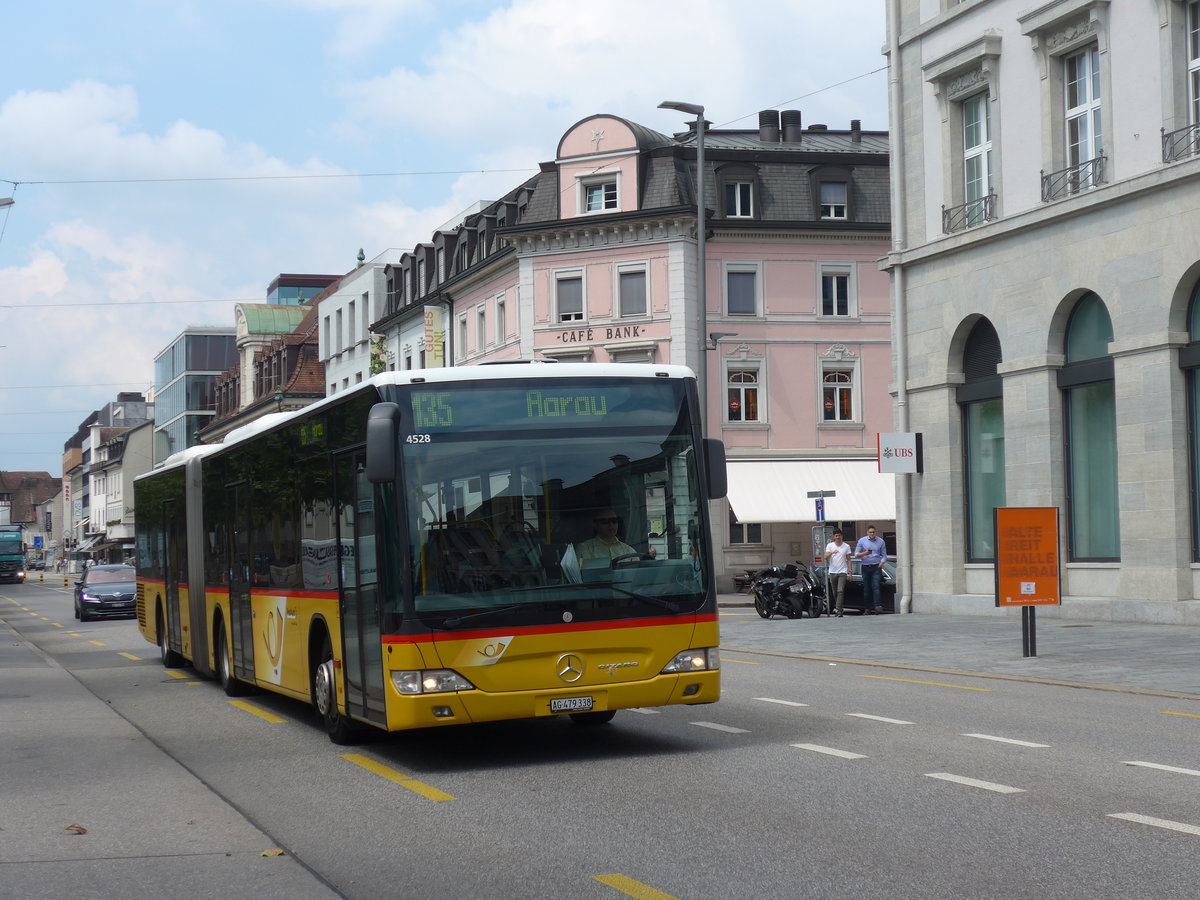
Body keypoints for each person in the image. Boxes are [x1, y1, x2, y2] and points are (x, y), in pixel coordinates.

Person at [576, 509, 642, 563]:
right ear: (595, 525)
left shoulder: (629, 550)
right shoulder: (584, 548)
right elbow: (585, 573)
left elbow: (634, 575)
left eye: (614, 521)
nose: (611, 525)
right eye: (605, 521)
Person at [854, 525, 888, 614]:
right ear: (867, 533)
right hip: (865, 566)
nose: (872, 534)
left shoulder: (880, 541)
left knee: (876, 586)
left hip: (876, 566)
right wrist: (865, 553)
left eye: (873, 532)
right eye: (870, 532)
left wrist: (881, 563)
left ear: (875, 532)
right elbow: (856, 554)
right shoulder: (862, 541)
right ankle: (867, 608)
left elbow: (884, 555)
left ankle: (877, 607)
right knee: (866, 588)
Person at [824, 530, 853, 617]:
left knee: (840, 590)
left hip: (842, 571)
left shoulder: (846, 546)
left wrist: (850, 572)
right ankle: (839, 608)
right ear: (834, 537)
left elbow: (849, 559)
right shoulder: (830, 545)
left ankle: (838, 609)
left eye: (839, 535)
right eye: (836, 536)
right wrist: (832, 553)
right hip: (832, 571)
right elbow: (825, 557)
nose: (838, 537)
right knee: (835, 591)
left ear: (842, 536)